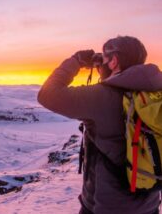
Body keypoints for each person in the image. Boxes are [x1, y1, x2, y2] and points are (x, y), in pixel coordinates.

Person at [37, 36, 162, 214]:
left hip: (106, 207)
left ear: (114, 61)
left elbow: (48, 94)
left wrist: (75, 61)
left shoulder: (102, 96)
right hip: (149, 205)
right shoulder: (155, 93)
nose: (100, 64)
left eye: (104, 58)